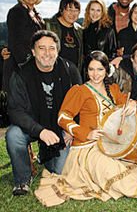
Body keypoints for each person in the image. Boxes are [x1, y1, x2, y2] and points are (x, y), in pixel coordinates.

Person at [34, 50, 137, 207]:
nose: (96, 74)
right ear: (86, 71)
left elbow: (126, 102)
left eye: (100, 69)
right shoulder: (80, 91)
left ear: (106, 70)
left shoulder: (112, 89)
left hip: (112, 143)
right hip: (88, 147)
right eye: (91, 69)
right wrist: (85, 133)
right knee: (110, 169)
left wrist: (133, 103)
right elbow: (63, 117)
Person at [5, 30, 82, 196]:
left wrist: (71, 128)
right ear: (33, 51)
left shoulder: (70, 70)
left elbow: (81, 103)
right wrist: (39, 131)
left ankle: (45, 156)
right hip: (33, 126)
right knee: (13, 135)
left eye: (52, 48)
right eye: (42, 48)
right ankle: (23, 179)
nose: (47, 53)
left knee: (59, 171)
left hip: (60, 127)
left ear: (57, 50)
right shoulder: (20, 74)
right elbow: (15, 111)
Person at [3, 0, 44, 92]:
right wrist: (30, 67)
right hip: (20, 69)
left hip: (33, 68)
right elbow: (16, 45)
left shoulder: (37, 15)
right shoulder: (17, 12)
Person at [45, 0, 83, 71]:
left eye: (76, 10)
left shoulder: (79, 30)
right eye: (69, 10)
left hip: (74, 75)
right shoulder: (47, 25)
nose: (73, 14)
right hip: (53, 73)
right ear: (61, 10)